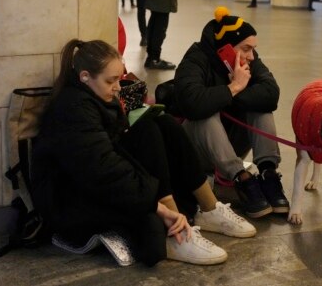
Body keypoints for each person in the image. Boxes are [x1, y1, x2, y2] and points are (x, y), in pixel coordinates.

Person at [31, 39, 257, 268]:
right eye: (111, 80)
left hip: (94, 182)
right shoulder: (72, 109)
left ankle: (208, 208)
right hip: (69, 203)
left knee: (163, 124)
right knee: (146, 137)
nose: (119, 86)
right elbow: (104, 171)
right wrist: (156, 207)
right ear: (85, 77)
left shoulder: (94, 96)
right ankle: (174, 232)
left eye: (119, 78)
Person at [172, 7, 289, 219]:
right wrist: (233, 87)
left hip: (230, 141)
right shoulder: (195, 59)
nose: (251, 56)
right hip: (197, 147)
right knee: (205, 113)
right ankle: (242, 178)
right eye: (246, 49)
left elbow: (271, 94)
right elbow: (192, 103)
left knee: (260, 106)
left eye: (253, 49)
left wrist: (234, 94)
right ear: (225, 48)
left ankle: (268, 172)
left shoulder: (248, 60)